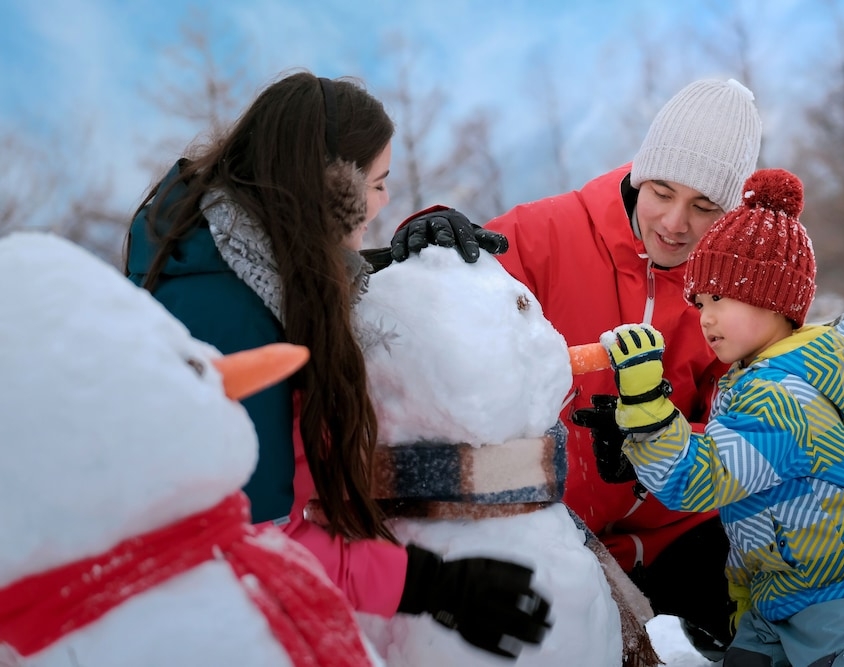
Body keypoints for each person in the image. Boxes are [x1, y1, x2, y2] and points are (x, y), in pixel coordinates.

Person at [123, 70, 550, 659]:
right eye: (377, 185)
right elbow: (253, 541)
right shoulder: (233, 324)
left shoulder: (232, 260)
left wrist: (411, 250)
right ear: (330, 195)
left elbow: (306, 278)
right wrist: (431, 585)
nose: (385, 201)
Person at [392, 77, 763, 659]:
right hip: (563, 528)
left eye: (705, 207)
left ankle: (716, 623)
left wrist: (661, 438)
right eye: (662, 192)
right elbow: (453, 287)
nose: (674, 222)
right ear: (640, 175)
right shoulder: (549, 233)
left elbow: (743, 427)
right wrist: (427, 231)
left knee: (781, 617)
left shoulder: (732, 288)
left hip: (680, 528)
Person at [601, 168, 844, 665]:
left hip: (843, 589)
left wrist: (647, 412)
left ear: (772, 301)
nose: (704, 317)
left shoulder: (783, 395)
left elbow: (699, 481)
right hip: (780, 596)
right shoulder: (752, 381)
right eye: (700, 302)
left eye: (719, 300)